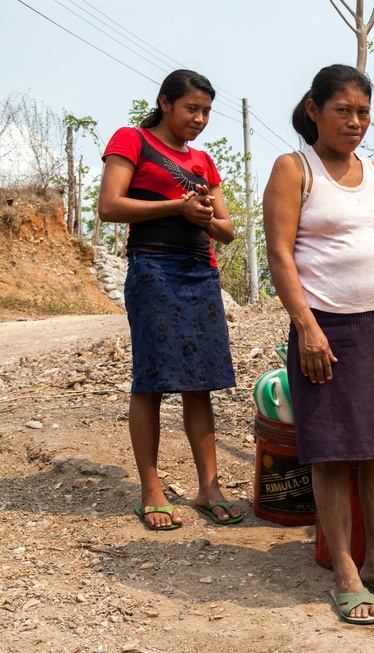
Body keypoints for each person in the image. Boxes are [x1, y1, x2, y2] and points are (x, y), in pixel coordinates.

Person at [262, 65, 374, 625]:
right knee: (333, 451)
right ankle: (344, 571)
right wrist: (306, 326)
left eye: (362, 112)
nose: (355, 122)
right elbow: (281, 255)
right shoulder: (294, 169)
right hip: (327, 330)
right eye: (343, 110)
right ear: (314, 109)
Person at [98, 69, 243, 531]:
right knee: (153, 379)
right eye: (191, 109)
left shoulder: (203, 161)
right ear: (165, 102)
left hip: (200, 274)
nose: (199, 119)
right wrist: (175, 206)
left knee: (200, 381)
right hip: (154, 270)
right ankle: (151, 489)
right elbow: (110, 206)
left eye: (205, 112)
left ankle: (209, 486)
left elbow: (228, 231)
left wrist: (202, 212)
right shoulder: (132, 140)